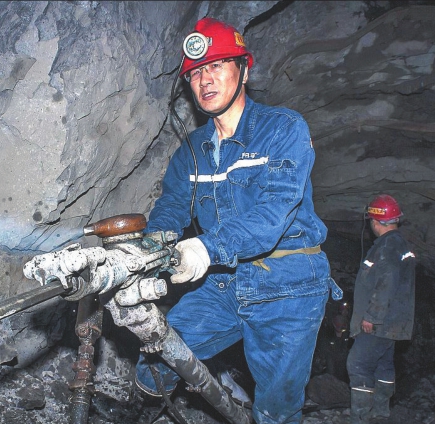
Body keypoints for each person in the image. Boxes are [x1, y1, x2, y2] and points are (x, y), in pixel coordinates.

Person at [134, 17, 341, 424]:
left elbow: (273, 213)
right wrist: (150, 248)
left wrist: (204, 248)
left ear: (243, 70)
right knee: (155, 360)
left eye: (216, 65)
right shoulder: (192, 150)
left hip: (289, 283)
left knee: (276, 409)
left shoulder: (283, 129)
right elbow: (173, 205)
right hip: (225, 281)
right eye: (195, 73)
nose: (205, 79)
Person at [346, 194, 416, 424]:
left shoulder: (387, 246)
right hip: (392, 321)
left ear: (375, 221)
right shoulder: (399, 244)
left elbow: (387, 279)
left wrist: (371, 316)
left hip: (379, 321)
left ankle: (361, 418)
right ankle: (381, 414)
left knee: (358, 363)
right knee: (383, 365)